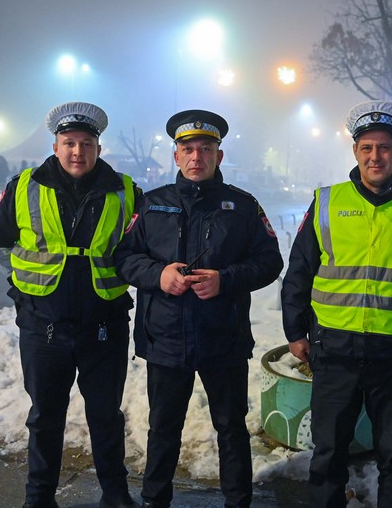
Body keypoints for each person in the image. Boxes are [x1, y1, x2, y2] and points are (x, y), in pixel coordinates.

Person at [281, 100, 392, 508]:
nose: (376, 156)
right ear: (355, 152)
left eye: (385, 147)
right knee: (328, 455)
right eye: (367, 148)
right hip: (335, 350)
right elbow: (300, 270)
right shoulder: (326, 201)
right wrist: (294, 330)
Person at [114, 109, 283, 508]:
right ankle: (155, 501)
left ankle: (237, 501)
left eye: (205, 149)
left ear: (218, 156)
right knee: (163, 429)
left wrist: (226, 279)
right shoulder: (152, 206)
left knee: (231, 428)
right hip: (165, 339)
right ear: (175, 156)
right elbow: (123, 256)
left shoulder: (242, 207)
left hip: (222, 338)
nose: (196, 157)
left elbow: (270, 262)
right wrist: (158, 276)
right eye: (187, 149)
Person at [0, 102, 142, 508]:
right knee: (45, 417)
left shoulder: (126, 191)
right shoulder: (24, 186)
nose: (77, 152)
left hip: (104, 325)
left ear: (98, 148)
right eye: (69, 143)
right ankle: (39, 498)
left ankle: (116, 495)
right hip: (43, 326)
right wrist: (23, 288)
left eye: (86, 144)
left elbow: (142, 251)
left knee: (106, 417)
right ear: (55, 145)